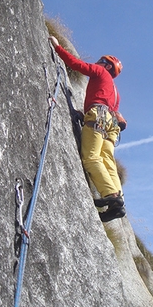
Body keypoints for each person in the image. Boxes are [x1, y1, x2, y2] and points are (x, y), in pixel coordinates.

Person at [48, 36, 127, 222]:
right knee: (107, 160)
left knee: (91, 157)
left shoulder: (101, 72)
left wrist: (58, 48)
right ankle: (118, 199)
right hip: (111, 125)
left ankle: (111, 196)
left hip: (99, 116)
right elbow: (111, 111)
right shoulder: (115, 93)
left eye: (102, 62)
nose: (98, 63)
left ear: (107, 66)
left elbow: (78, 65)